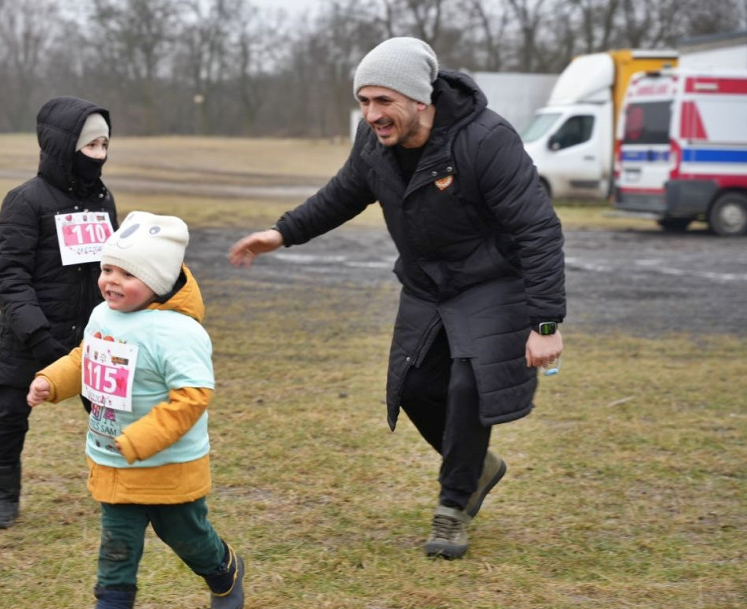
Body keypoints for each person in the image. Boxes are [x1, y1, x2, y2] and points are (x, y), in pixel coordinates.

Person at [228, 37, 566, 560]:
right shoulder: (374, 146)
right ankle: (478, 469)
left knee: (467, 381)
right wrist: (281, 233)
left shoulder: (486, 140)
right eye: (364, 102)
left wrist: (544, 323)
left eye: (383, 101)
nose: (372, 114)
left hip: (494, 279)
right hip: (428, 283)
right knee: (411, 386)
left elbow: (538, 228)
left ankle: (453, 507)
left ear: (419, 99)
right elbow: (341, 194)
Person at [27, 211, 246, 609]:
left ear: (158, 281)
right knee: (117, 543)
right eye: (107, 269)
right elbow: (84, 356)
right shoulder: (102, 315)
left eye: (127, 273)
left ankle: (223, 569)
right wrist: (53, 381)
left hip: (167, 463)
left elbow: (192, 396)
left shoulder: (178, 332)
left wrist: (142, 438)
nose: (111, 280)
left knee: (187, 537)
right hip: (113, 459)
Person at [0, 97, 116, 530]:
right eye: (90, 145)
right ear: (64, 146)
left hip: (90, 337)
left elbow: (110, 267)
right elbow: (11, 277)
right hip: (29, 336)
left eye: (104, 145)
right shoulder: (23, 201)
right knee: (8, 416)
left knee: (108, 415)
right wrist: (38, 336)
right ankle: (3, 495)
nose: (99, 155)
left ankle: (122, 488)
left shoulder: (103, 199)